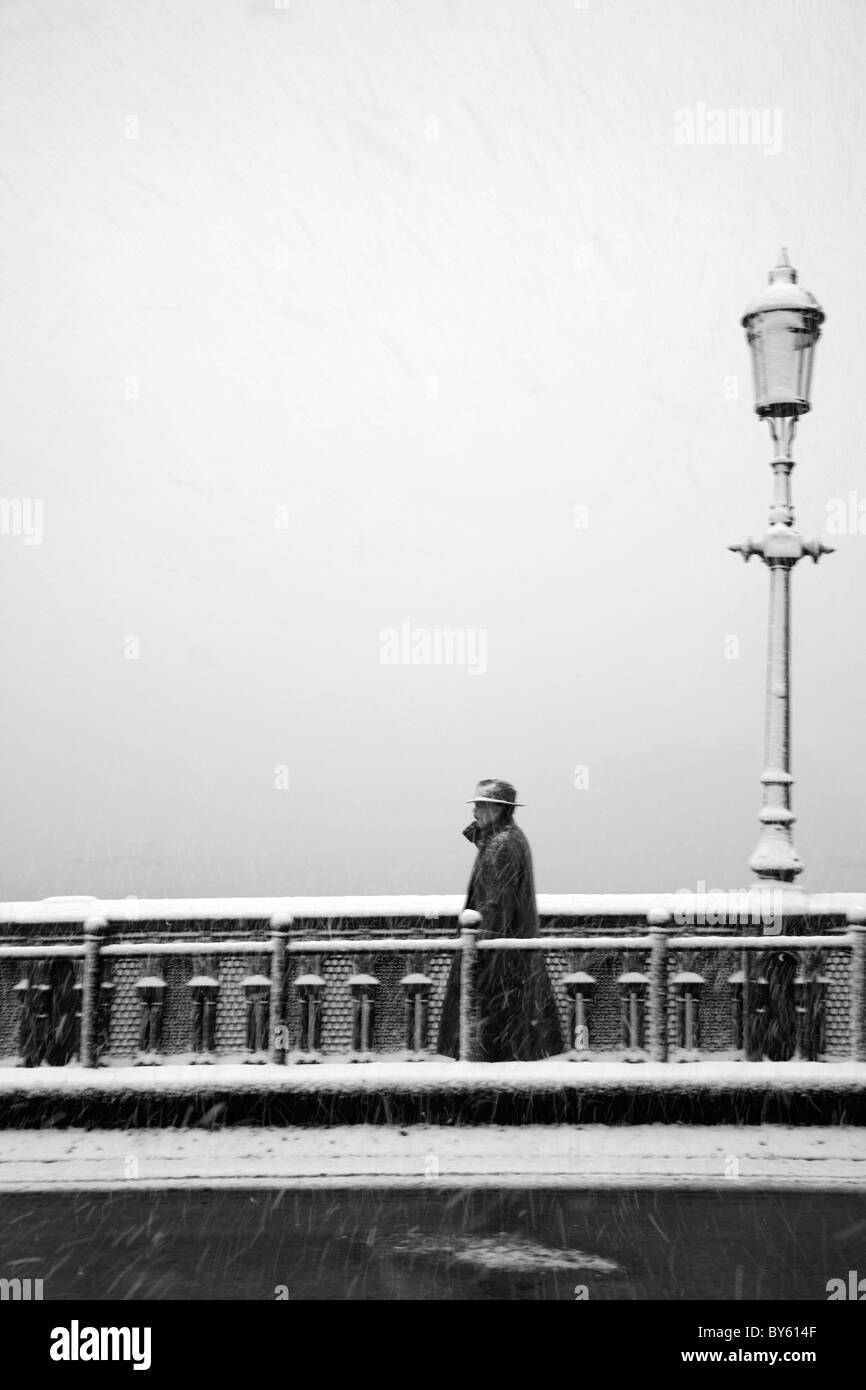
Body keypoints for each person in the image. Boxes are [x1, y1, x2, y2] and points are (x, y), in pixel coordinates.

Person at [436, 780, 563, 1061]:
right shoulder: (507, 839)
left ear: (496, 809)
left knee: (493, 1034)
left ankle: (492, 1087)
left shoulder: (500, 846)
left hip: (499, 957)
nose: (474, 813)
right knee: (514, 1034)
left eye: (480, 806)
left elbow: (495, 906)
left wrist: (482, 957)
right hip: (511, 954)